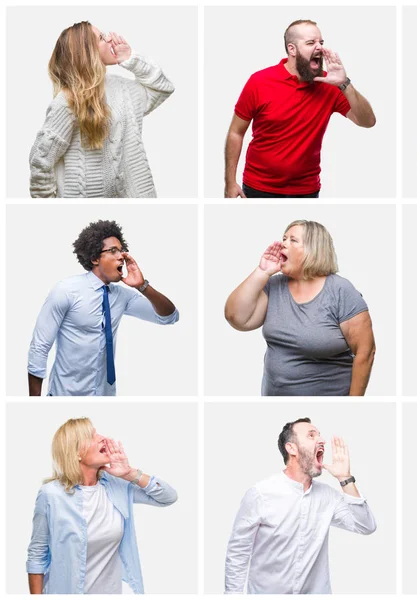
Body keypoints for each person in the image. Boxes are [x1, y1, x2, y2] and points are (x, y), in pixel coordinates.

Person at [224, 19, 376, 198]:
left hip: (307, 190)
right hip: (259, 186)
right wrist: (230, 183)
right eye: (311, 43)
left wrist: (344, 84)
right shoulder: (259, 82)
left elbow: (368, 121)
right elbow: (236, 132)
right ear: (292, 49)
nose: (319, 47)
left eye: (321, 42)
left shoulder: (331, 84)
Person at [26, 417, 178, 594]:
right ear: (76, 453)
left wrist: (129, 473)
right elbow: (37, 554)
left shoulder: (117, 486)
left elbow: (168, 497)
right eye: (91, 436)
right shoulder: (51, 494)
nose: (102, 438)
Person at [27, 220, 179, 396]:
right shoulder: (66, 291)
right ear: (94, 258)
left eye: (121, 250)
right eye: (113, 251)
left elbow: (170, 316)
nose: (121, 256)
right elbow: (39, 347)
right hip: (65, 396)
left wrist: (142, 286)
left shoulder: (122, 296)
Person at [225, 417, 376, 593]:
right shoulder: (261, 494)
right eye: (311, 436)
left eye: (319, 435)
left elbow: (366, 526)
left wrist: (345, 478)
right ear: (291, 448)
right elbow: (238, 552)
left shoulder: (328, 497)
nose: (321, 440)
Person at [224, 220, 375, 396]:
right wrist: (262, 271)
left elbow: (366, 352)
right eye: (284, 238)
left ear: (313, 249)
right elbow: (237, 318)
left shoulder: (340, 290)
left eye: (293, 240)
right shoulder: (274, 285)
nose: (282, 244)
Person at [30, 21, 174, 198]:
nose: (109, 39)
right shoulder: (67, 101)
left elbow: (163, 88)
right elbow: (41, 161)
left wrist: (131, 59)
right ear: (87, 52)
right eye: (101, 38)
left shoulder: (123, 89)